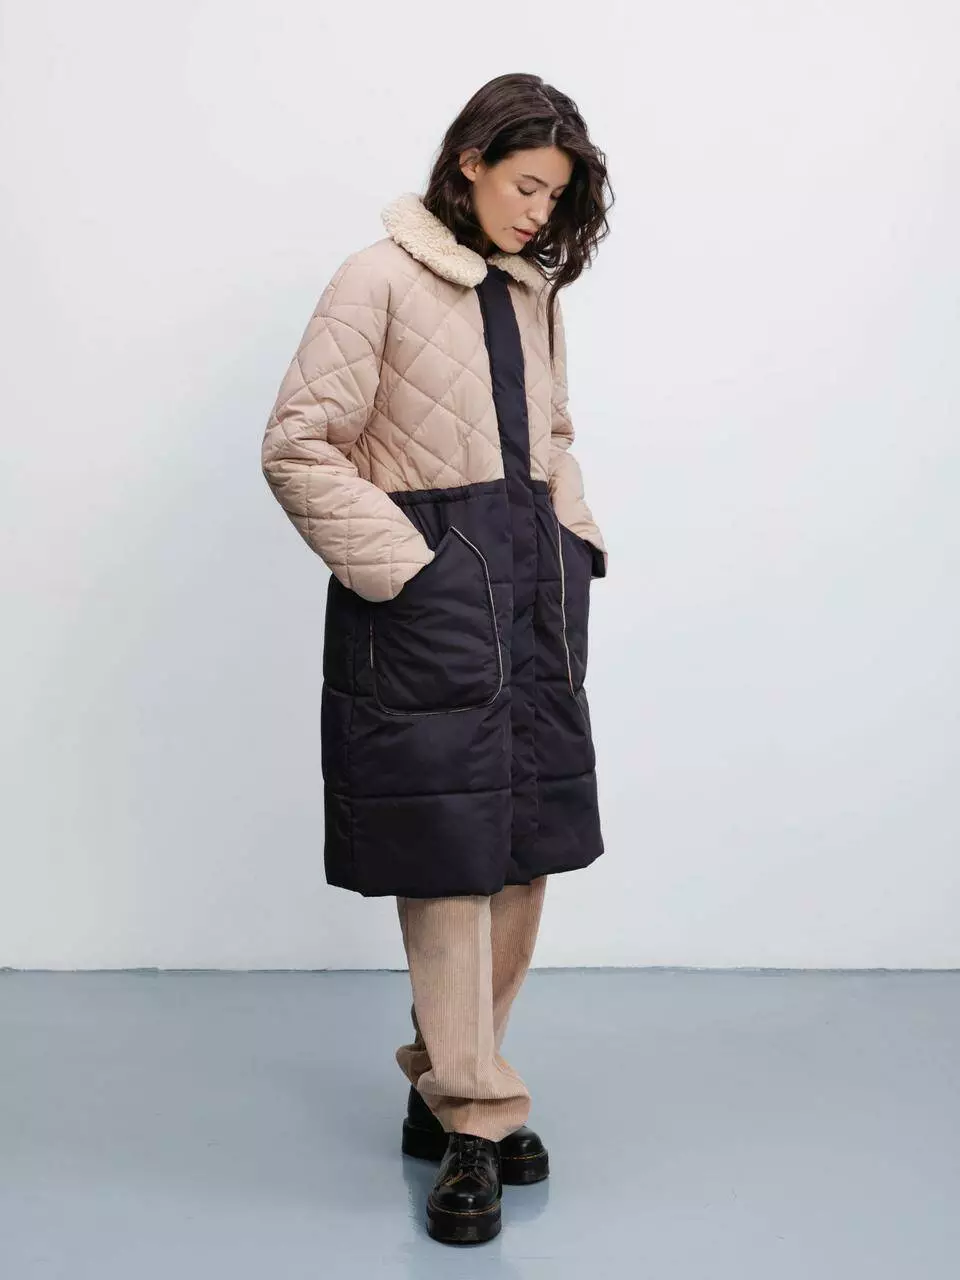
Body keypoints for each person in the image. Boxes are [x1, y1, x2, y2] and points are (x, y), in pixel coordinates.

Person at [260, 71, 613, 1246]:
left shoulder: (531, 290)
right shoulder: (375, 278)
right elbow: (298, 444)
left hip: (534, 603)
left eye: (555, 197)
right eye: (527, 186)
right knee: (450, 856)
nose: (538, 213)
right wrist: (413, 570)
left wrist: (574, 539)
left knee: (522, 849)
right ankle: (476, 1115)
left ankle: (448, 1079)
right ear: (470, 161)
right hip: (433, 606)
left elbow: (553, 432)